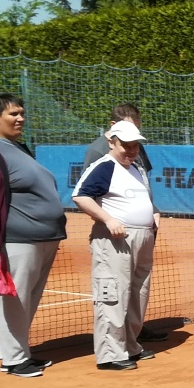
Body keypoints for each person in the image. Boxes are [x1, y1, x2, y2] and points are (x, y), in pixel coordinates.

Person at [0, 93, 67, 377]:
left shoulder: (18, 148)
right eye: (13, 114)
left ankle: (17, 352)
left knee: (26, 300)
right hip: (16, 241)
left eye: (21, 113)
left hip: (42, 239)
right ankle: (14, 360)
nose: (20, 118)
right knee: (13, 299)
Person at [72, 120, 160, 371]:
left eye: (135, 145)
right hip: (115, 240)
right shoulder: (104, 166)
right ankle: (110, 354)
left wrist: (153, 216)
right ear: (112, 142)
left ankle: (130, 345)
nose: (131, 150)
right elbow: (80, 195)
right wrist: (108, 220)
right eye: (126, 145)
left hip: (143, 239)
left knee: (138, 294)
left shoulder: (137, 168)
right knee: (112, 294)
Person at [84, 103, 164, 343]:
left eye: (136, 133)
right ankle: (115, 344)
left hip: (144, 231)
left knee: (138, 286)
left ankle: (133, 334)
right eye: (128, 135)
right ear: (113, 130)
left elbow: (142, 183)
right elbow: (88, 195)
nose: (132, 143)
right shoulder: (99, 153)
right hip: (117, 235)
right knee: (118, 287)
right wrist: (109, 221)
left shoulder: (138, 149)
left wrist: (152, 211)